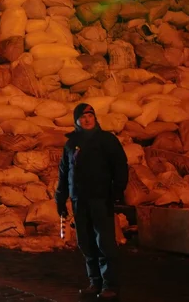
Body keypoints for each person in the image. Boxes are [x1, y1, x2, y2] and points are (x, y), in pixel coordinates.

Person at [55, 103, 128, 300]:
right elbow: (64, 172)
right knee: (85, 242)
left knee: (104, 242)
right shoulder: (71, 144)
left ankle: (109, 284)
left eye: (90, 115)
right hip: (79, 199)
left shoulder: (106, 140)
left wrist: (116, 192)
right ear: (76, 120)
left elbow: (120, 166)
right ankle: (94, 282)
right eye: (83, 116)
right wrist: (60, 198)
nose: (87, 119)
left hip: (100, 198)